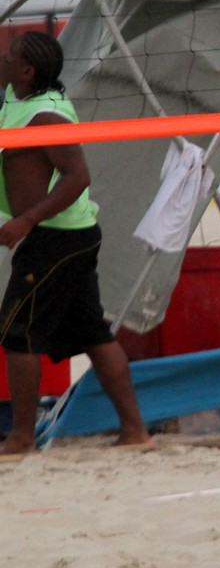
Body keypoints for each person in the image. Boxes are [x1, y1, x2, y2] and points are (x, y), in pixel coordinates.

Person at [0, 32, 152, 455]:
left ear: (27, 71)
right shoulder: (18, 99)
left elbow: (78, 176)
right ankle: (135, 432)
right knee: (92, 333)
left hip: (56, 237)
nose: (3, 57)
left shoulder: (47, 116)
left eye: (9, 56)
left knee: (18, 333)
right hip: (67, 235)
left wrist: (28, 220)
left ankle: (21, 437)